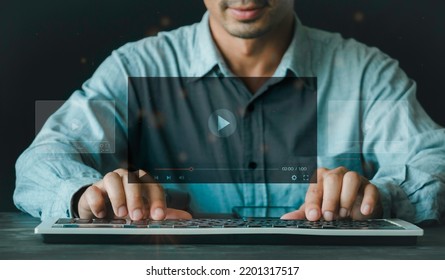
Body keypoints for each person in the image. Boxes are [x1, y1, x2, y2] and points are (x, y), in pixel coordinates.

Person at [14, 0, 445, 224]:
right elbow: (40, 162)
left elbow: (434, 161)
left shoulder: (367, 72)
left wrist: (380, 196)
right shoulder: (135, 68)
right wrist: (83, 193)